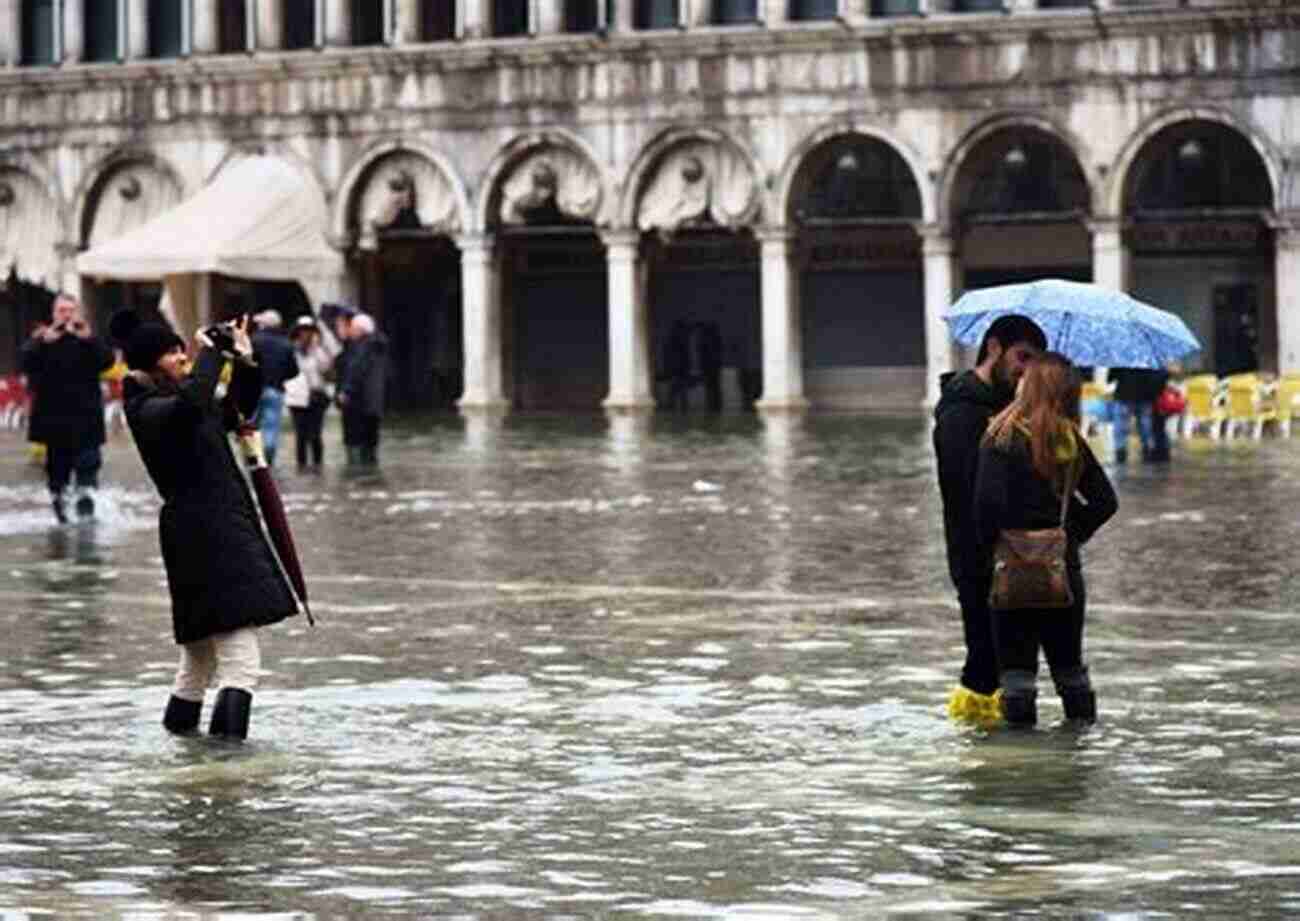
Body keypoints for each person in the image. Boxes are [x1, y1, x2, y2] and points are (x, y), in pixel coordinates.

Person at [115, 311, 300, 741]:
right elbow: (193, 403)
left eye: (183, 349)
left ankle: (182, 747)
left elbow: (237, 408)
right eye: (172, 351)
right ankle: (225, 764)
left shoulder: (181, 398)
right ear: (148, 362)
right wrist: (211, 352)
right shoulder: (147, 408)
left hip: (209, 530)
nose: (181, 357)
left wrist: (245, 360)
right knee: (241, 660)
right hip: (207, 533)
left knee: (197, 661)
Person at [974, 352, 1118, 727]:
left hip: (1010, 570)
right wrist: (1068, 537)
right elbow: (1105, 501)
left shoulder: (998, 437)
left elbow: (985, 510)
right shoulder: (1069, 440)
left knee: (1017, 677)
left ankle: (1026, 766)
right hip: (1061, 572)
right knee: (1070, 671)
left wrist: (999, 546)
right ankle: (1080, 754)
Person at [933, 314, 1047, 726]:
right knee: (984, 658)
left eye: (1035, 363)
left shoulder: (1005, 407)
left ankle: (987, 741)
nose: (1026, 370)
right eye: (1022, 357)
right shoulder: (961, 411)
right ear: (994, 348)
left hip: (1012, 552)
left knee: (1005, 661)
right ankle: (973, 741)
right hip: (977, 554)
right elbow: (968, 488)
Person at [20, 294, 115, 523]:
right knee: (57, 481)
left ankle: (86, 524)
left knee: (87, 476)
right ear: (54, 314)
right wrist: (43, 342)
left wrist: (89, 338)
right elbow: (25, 362)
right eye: (62, 310)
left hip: (87, 423)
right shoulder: (42, 341)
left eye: (71, 310)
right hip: (54, 425)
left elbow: (107, 362)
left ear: (78, 313)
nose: (66, 315)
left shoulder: (88, 339)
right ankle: (62, 522)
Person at [337, 312, 388, 466]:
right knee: (371, 444)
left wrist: (345, 391)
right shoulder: (378, 345)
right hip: (374, 403)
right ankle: (370, 478)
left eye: (352, 327)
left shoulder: (360, 348)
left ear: (361, 330)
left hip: (357, 403)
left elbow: (355, 370)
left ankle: (356, 478)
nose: (350, 330)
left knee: (354, 442)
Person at [250, 309, 299, 467]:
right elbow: (294, 370)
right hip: (275, 389)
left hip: (253, 391)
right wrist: (280, 377)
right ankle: (268, 457)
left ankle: (253, 457)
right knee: (271, 426)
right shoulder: (286, 344)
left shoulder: (253, 340)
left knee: (251, 426)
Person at [284, 315, 331, 472]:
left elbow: (326, 368)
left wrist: (317, 349)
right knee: (301, 435)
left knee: (315, 434)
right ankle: (301, 466)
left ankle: (318, 466)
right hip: (297, 398)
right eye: (303, 331)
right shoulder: (291, 350)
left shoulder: (318, 350)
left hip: (316, 396)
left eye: (309, 331)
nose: (306, 334)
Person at [1108, 367, 1168, 463]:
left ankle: (1120, 451)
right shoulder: (1149, 356)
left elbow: (1111, 376)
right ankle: (1147, 449)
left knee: (1121, 425)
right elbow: (1159, 375)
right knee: (1145, 426)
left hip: (1124, 393)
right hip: (1145, 395)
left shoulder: (1121, 356)